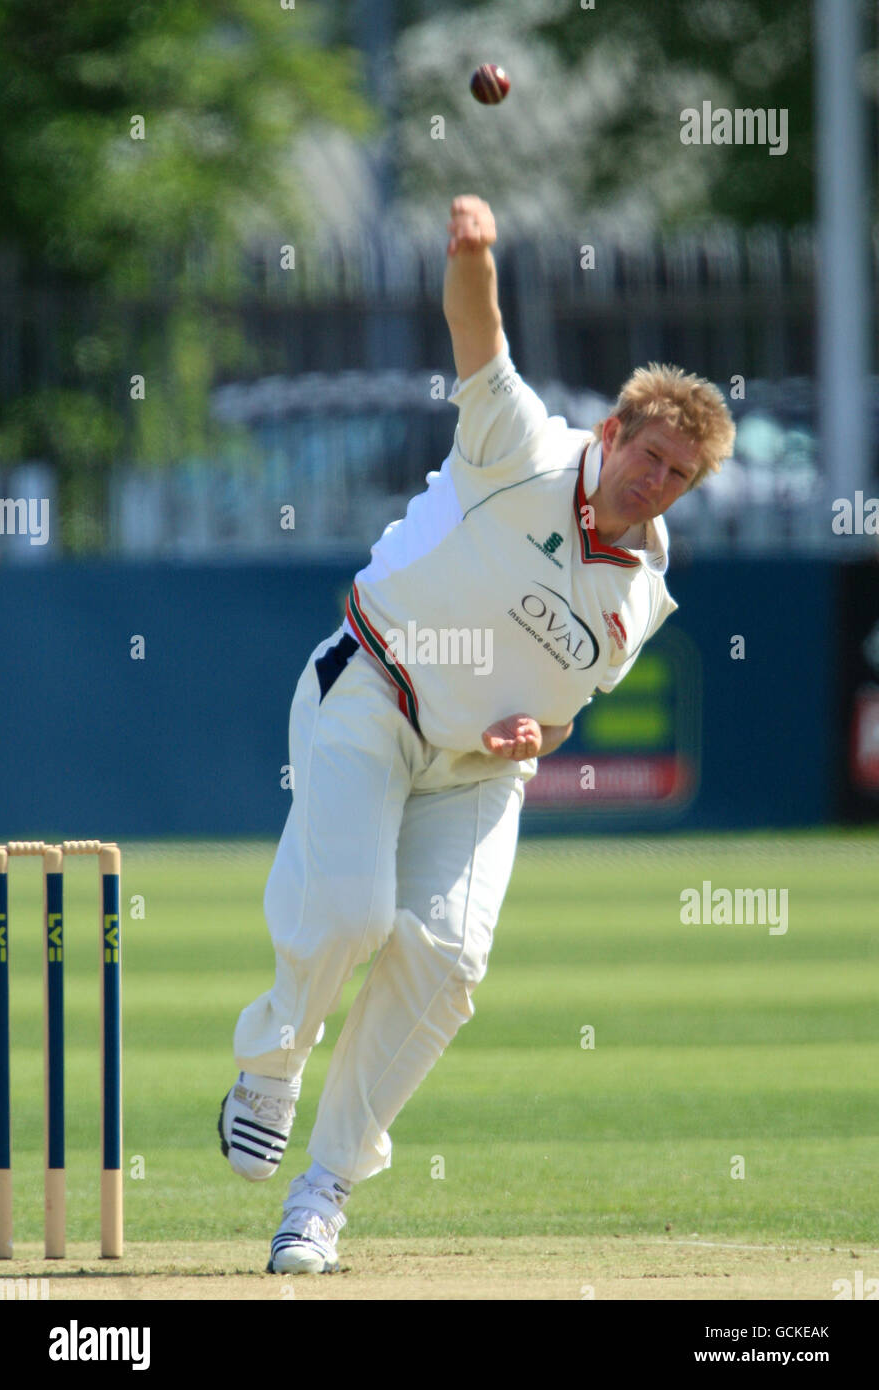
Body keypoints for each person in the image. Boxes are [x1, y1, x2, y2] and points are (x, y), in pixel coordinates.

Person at [219, 194, 736, 1275]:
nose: (657, 485)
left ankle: (322, 1195)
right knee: (354, 912)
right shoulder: (522, 444)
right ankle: (271, 1060)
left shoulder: (646, 588)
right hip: (372, 689)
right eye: (649, 457)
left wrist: (532, 730)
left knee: (449, 964)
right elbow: (479, 336)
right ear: (611, 432)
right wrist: (474, 251)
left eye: (680, 476)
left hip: (474, 771)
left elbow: (564, 703)